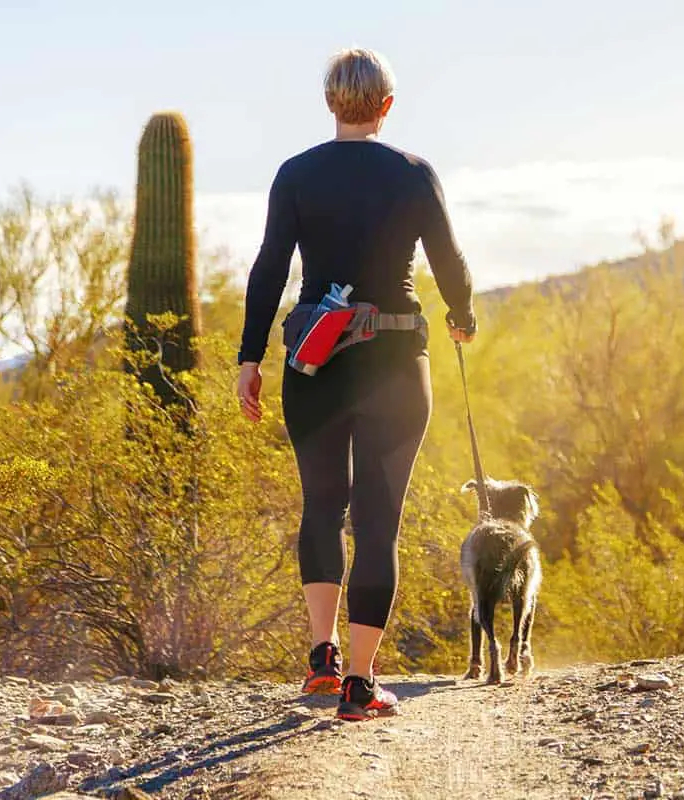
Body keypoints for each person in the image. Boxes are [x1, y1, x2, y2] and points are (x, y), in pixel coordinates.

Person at [235, 47, 477, 721]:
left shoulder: (296, 174)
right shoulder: (413, 174)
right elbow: (449, 260)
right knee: (377, 524)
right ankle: (361, 686)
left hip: (313, 361)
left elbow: (268, 269)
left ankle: (321, 659)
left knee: (320, 507)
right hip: (397, 360)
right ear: (388, 106)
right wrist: (462, 319)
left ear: (330, 102)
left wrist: (249, 357)